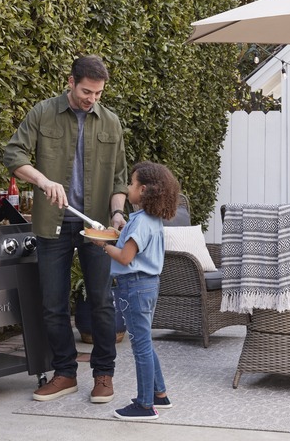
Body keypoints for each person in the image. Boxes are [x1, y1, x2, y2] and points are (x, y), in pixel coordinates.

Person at [3, 54, 128, 404]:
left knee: (102, 302)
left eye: (99, 94)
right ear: (70, 82)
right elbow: (13, 155)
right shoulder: (43, 113)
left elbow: (119, 177)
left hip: (96, 227)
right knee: (53, 303)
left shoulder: (111, 123)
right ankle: (65, 374)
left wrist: (117, 214)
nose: (92, 99)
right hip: (52, 224)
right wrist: (43, 181)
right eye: (87, 91)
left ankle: (103, 374)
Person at [91, 161, 179, 420]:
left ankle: (144, 405)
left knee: (140, 346)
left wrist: (101, 244)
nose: (128, 187)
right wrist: (115, 234)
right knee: (144, 342)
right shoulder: (149, 219)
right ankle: (159, 395)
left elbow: (126, 257)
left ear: (144, 190)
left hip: (134, 287)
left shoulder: (141, 222)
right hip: (148, 285)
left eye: (131, 183)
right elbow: (131, 247)